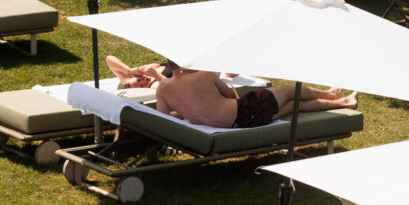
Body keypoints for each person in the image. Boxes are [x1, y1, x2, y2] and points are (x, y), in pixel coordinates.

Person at [106, 56, 354, 129]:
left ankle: (343, 103)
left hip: (238, 123)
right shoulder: (204, 76)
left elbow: (166, 118)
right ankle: (331, 94)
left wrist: (189, 114)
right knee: (290, 90)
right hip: (247, 111)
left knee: (293, 106)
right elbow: (234, 98)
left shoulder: (163, 89)